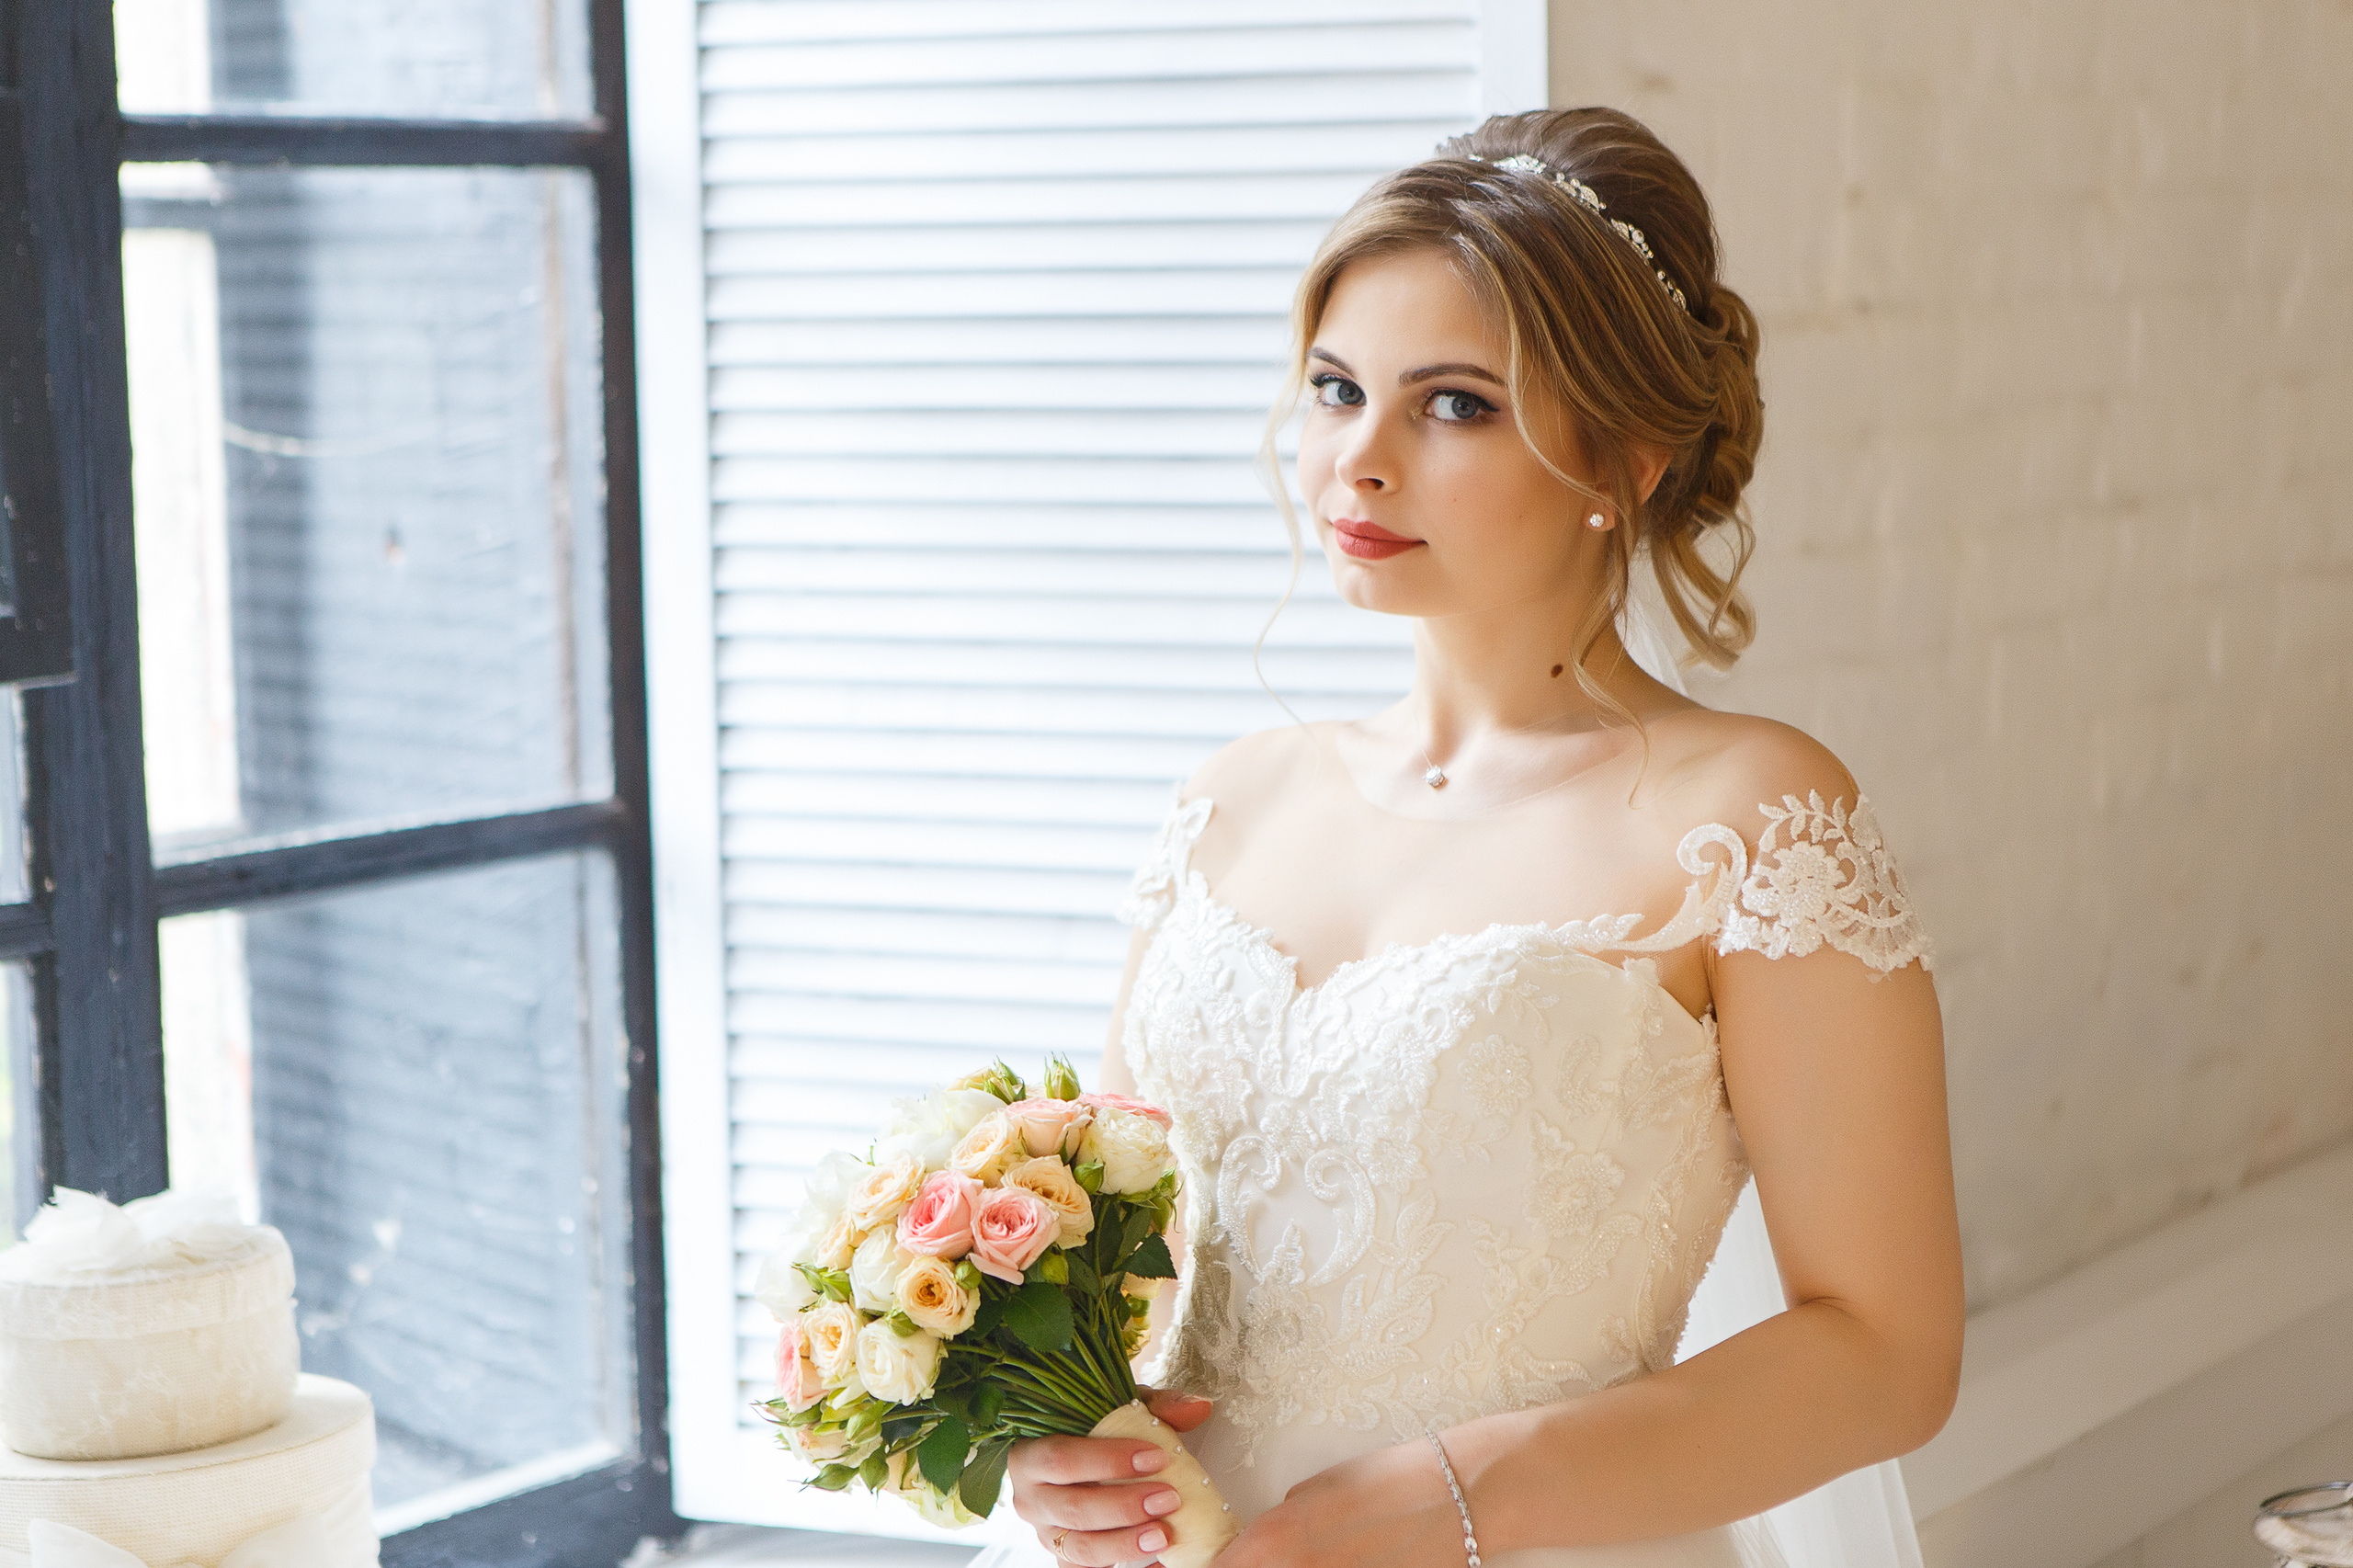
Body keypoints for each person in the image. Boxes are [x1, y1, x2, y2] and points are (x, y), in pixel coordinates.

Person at [991, 107, 1961, 1568]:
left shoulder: (1750, 820)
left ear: (1631, 459)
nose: (1355, 463)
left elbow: (1887, 1349)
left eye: (1454, 404)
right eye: (1335, 390)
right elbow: (1130, 1270)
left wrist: (1455, 1498)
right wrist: (1055, 1432)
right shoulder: (1234, 799)